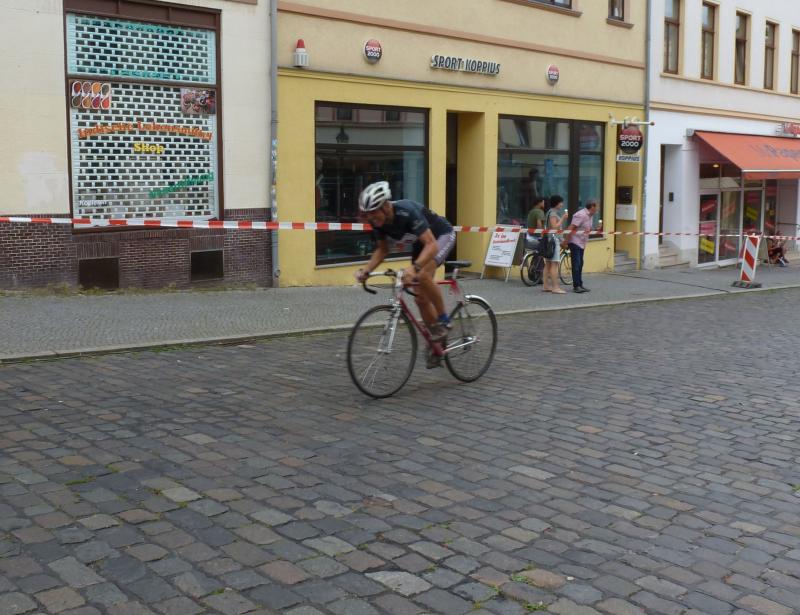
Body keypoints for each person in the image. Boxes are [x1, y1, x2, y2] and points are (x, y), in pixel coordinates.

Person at [355, 181, 456, 367]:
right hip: (421, 244)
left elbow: (432, 245)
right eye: (367, 214)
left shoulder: (407, 211)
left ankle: (444, 320)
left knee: (422, 275)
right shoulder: (378, 223)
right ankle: (437, 343)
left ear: (386, 206)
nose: (371, 218)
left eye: (374, 212)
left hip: (441, 236)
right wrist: (367, 270)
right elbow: (382, 249)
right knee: (420, 299)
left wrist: (414, 268)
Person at [565, 199, 599, 293]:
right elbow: (571, 228)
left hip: (582, 243)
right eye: (597, 206)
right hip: (575, 241)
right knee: (576, 264)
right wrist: (565, 241)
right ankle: (576, 286)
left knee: (580, 264)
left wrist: (596, 229)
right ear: (592, 206)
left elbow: (586, 229)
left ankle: (580, 284)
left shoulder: (590, 216)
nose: (598, 208)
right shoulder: (581, 214)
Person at [542, 195, 568, 294]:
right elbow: (554, 227)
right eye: (561, 202)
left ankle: (545, 286)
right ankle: (555, 287)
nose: (562, 204)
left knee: (548, 264)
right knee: (554, 264)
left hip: (549, 240)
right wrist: (563, 218)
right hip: (553, 240)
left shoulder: (549, 212)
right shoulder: (553, 213)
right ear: (557, 203)